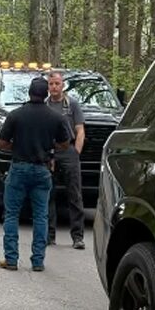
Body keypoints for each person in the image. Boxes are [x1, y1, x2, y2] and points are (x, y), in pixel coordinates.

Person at [0, 77, 70, 272]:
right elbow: (65, 143)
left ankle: (11, 259)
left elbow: (1, 143)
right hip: (42, 169)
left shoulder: (16, 115)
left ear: (29, 93)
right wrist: (48, 147)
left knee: (12, 214)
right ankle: (37, 261)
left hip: (19, 167)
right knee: (41, 216)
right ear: (46, 94)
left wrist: (17, 145)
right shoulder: (55, 118)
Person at [45, 70, 86, 249]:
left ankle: (77, 237)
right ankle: (49, 235)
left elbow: (80, 130)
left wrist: (76, 151)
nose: (54, 87)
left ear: (63, 85)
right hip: (50, 153)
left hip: (69, 151)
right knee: (48, 195)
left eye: (57, 84)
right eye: (51, 84)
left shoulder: (72, 105)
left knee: (74, 195)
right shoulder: (45, 106)